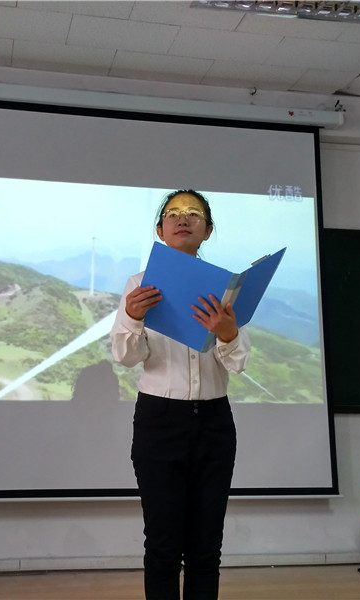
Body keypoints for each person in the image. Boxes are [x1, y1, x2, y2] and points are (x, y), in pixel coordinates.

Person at [110, 190, 251, 600]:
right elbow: (126, 356)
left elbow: (238, 363)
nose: (183, 218)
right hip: (159, 421)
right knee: (163, 545)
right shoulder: (139, 286)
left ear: (207, 230)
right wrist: (133, 316)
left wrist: (228, 335)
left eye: (194, 213)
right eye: (173, 213)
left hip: (214, 422)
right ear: (160, 230)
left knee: (206, 548)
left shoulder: (227, 290)